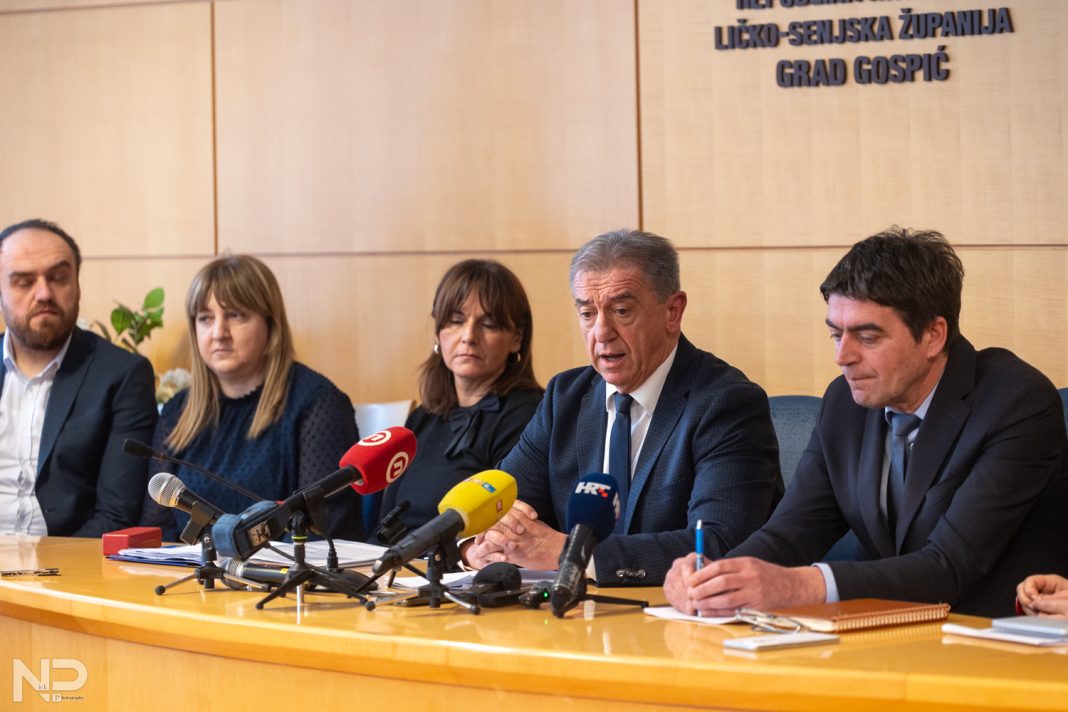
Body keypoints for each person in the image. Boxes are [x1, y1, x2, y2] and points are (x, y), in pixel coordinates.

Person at [664, 227, 1068, 618]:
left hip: (994, 642)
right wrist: (716, 578)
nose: (843, 357)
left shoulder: (1015, 402)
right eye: (836, 335)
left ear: (933, 335)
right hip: (887, 636)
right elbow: (792, 531)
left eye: (868, 337)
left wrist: (801, 585)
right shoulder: (845, 402)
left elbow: (947, 567)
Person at [465, 228, 783, 585]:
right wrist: (477, 548)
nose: (601, 332)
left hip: (674, 614)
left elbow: (717, 544)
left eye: (621, 311)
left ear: (672, 312)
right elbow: (499, 508)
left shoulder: (726, 403)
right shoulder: (564, 397)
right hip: (572, 611)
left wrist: (571, 553)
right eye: (587, 313)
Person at [141, 254, 361, 541]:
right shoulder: (177, 412)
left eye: (235, 315)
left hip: (282, 569)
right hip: (190, 569)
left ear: (271, 324)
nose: (219, 333)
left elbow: (322, 533)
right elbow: (157, 529)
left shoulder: (318, 404)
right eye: (205, 318)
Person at [0, 218, 157, 536]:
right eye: (24, 282)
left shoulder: (122, 375)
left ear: (77, 285)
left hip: (65, 559)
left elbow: (116, 515)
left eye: (58, 278)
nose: (44, 293)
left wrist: (45, 565)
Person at [372, 260, 543, 536]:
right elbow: (385, 522)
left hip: (460, 562)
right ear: (438, 331)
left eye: (488, 324)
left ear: (516, 339)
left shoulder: (529, 416)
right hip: (397, 561)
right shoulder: (424, 417)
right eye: (456, 321)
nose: (469, 336)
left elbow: (504, 531)